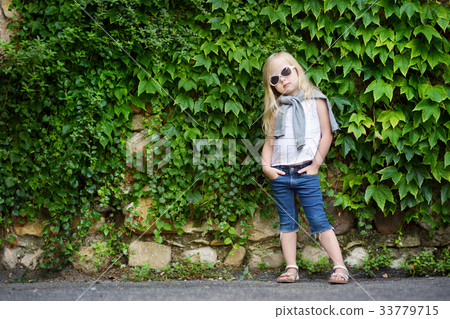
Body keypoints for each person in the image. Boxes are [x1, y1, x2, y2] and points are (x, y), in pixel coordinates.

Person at [261, 52, 349, 284]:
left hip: (305, 172)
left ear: (297, 69)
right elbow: (269, 143)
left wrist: (315, 165)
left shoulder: (316, 99)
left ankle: (339, 267)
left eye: (286, 72)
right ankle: (291, 269)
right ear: (270, 86)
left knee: (318, 220)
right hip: (280, 172)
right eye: (274, 79)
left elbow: (326, 135)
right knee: (287, 223)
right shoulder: (276, 108)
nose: (282, 80)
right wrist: (266, 167)